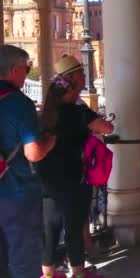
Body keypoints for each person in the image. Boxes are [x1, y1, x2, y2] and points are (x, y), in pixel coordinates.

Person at [37, 58, 114, 278]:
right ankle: (78, 273)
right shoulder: (78, 113)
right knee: (74, 230)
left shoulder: (47, 112)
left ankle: (49, 275)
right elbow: (107, 128)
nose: (85, 76)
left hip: (47, 182)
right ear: (72, 81)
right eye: (80, 73)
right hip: (74, 181)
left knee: (50, 231)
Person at [0, 45, 56, 278]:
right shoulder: (19, 103)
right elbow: (34, 152)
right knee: (23, 259)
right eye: (26, 68)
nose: (27, 72)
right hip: (17, 194)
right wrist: (50, 142)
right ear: (14, 70)